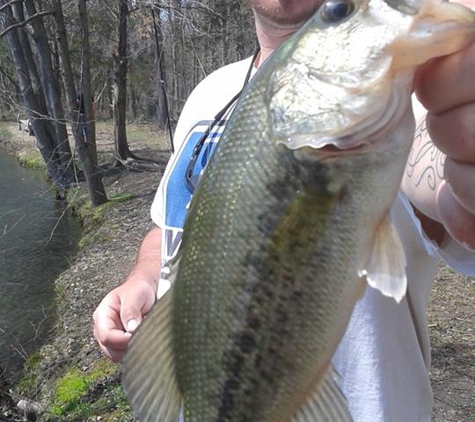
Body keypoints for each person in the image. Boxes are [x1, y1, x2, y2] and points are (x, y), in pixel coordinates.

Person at [93, 0, 475, 420]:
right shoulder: (210, 91)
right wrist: (143, 279)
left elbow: (445, 173)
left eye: (339, 10)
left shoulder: (414, 90)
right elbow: (167, 225)